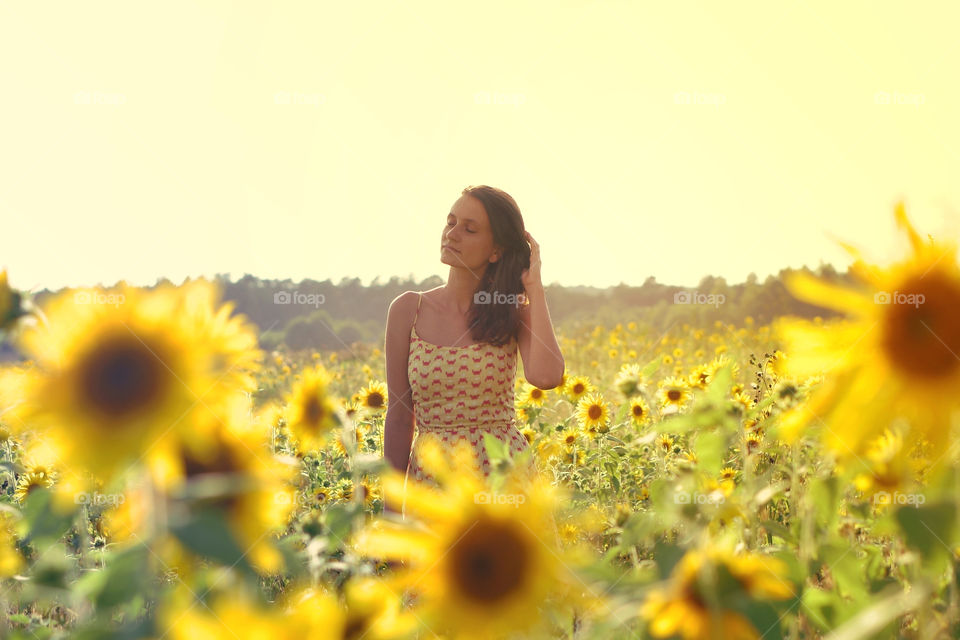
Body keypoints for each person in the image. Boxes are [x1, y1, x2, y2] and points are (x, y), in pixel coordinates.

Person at [382, 185, 564, 517]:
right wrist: (391, 510)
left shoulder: (512, 309)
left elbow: (547, 376)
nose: (452, 234)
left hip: (504, 478)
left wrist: (534, 287)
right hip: (433, 481)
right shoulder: (408, 309)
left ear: (495, 250)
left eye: (469, 228)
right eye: (450, 222)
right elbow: (398, 418)